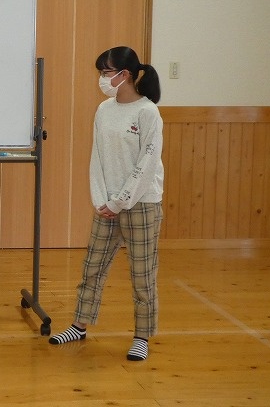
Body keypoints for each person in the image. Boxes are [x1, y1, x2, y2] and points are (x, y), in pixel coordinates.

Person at [49, 46, 163, 362]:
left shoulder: (147, 112)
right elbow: (97, 157)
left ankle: (141, 337)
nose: (102, 78)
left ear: (124, 75)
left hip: (141, 204)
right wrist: (102, 200)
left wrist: (121, 200)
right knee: (93, 267)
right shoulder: (104, 110)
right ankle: (79, 326)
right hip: (107, 206)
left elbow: (147, 164)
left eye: (105, 72)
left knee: (142, 275)